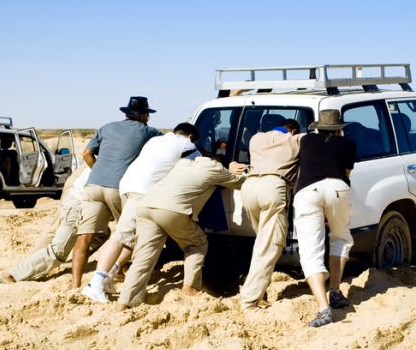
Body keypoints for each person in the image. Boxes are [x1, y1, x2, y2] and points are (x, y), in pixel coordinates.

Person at [82, 123, 201, 303]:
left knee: (132, 237)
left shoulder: (156, 140)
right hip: (143, 191)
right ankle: (95, 283)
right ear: (191, 137)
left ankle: (109, 275)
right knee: (121, 235)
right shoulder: (187, 145)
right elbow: (201, 166)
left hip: (127, 185)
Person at [117, 156, 246, 310]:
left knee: (144, 257)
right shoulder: (215, 168)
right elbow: (240, 183)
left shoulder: (182, 164)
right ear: (217, 161)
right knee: (196, 244)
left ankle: (126, 300)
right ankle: (190, 287)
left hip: (146, 206)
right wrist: (233, 169)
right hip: (172, 209)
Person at [70, 96, 162, 289]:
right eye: (147, 115)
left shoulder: (106, 127)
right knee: (125, 232)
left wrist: (98, 171)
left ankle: (75, 284)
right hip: (119, 188)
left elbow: (86, 153)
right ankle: (118, 272)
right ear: (143, 115)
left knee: (84, 237)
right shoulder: (149, 132)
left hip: (93, 185)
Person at [293, 109, 356, 327]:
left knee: (311, 250)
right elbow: (346, 173)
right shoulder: (348, 144)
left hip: (308, 191)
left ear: (317, 127)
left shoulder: (306, 140)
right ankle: (336, 291)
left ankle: (322, 308)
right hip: (338, 188)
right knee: (340, 238)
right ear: (339, 128)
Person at [0, 167, 111, 282]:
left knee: (100, 233)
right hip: (81, 197)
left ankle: (32, 263)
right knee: (59, 250)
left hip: (76, 187)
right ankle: (15, 273)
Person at [239, 119, 304, 310]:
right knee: (269, 247)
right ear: (292, 130)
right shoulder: (295, 140)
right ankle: (250, 301)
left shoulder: (256, 138)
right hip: (273, 187)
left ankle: (261, 291)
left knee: (261, 242)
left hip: (249, 187)